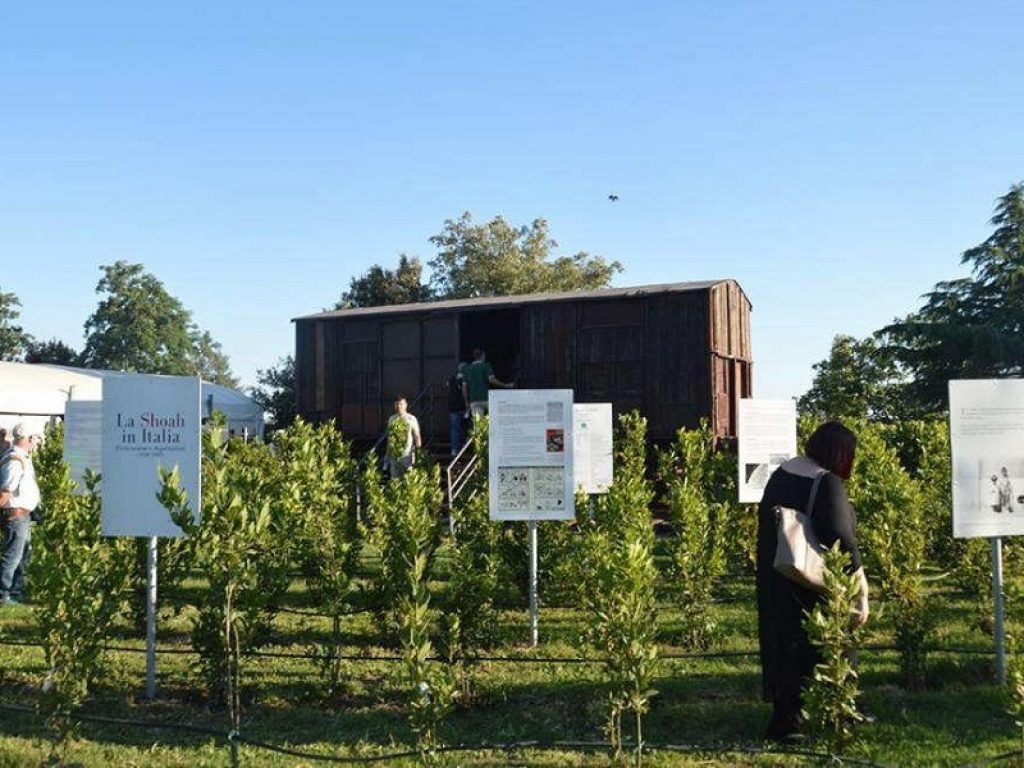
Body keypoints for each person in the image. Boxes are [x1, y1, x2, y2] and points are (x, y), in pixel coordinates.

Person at [756, 420, 869, 742]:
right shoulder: (826, 482)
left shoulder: (783, 473)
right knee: (832, 642)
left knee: (785, 646)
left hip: (778, 574)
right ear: (840, 454)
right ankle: (838, 709)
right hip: (813, 581)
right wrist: (861, 590)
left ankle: (787, 719)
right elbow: (842, 538)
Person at [0, 423, 41, 606]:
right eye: (35, 439)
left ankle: (15, 591)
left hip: (22, 515)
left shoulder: (21, 458)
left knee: (22, 555)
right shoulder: (15, 461)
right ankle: (4, 593)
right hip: (16, 515)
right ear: (30, 438)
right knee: (13, 555)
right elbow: (5, 491)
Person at [463, 348, 513, 418]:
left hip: (474, 400)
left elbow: (464, 388)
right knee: (494, 420)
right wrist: (505, 385)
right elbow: (492, 380)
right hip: (487, 398)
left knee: (478, 424)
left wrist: (466, 402)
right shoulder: (486, 366)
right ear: (483, 356)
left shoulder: (467, 369)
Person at [385, 396, 421, 479]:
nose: (399, 406)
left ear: (406, 405)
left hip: (407, 456)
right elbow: (389, 438)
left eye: (401, 404)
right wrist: (387, 456)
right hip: (394, 457)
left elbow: (417, 436)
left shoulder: (411, 419)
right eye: (397, 404)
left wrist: (418, 453)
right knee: (395, 482)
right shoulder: (392, 419)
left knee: (408, 480)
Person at [448, 363, 468, 455]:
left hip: (452, 406)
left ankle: (454, 449)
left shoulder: (451, 379)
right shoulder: (465, 379)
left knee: (454, 428)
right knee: (466, 426)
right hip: (462, 406)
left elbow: (447, 384)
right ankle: (465, 446)